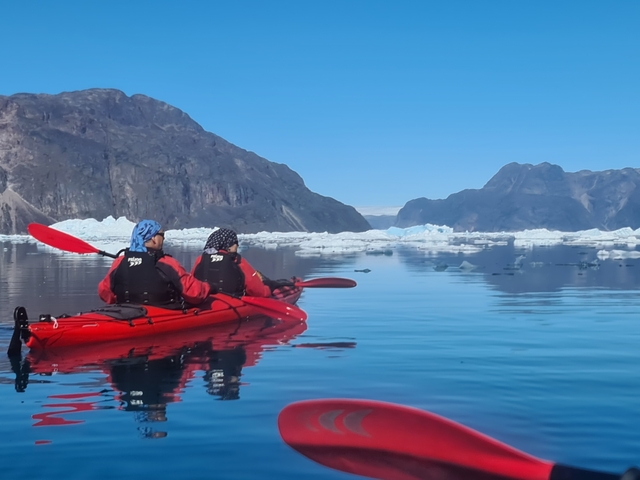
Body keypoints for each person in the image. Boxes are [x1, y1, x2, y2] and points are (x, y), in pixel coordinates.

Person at [98, 220, 210, 308]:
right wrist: (208, 288)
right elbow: (194, 294)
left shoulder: (119, 262)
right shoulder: (167, 263)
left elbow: (104, 291)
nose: (164, 238)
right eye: (162, 235)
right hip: (161, 313)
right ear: (153, 238)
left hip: (125, 311)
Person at [192, 228, 272, 297]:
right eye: (235, 243)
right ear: (228, 246)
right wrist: (268, 289)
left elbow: (191, 282)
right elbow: (258, 291)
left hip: (205, 302)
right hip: (232, 303)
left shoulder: (200, 259)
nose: (237, 246)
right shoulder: (238, 261)